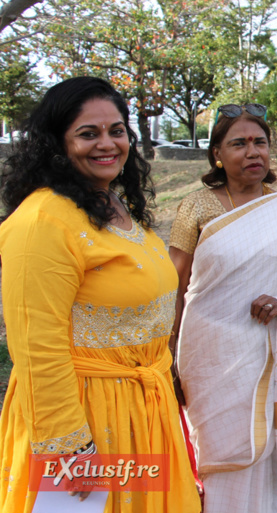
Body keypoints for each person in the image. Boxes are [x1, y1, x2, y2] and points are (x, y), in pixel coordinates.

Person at [0, 76, 201, 512]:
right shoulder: (42, 222)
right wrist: (69, 449)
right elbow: (36, 346)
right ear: (56, 144)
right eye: (87, 134)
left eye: (116, 131)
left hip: (143, 408)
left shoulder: (110, 204)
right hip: (87, 419)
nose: (107, 144)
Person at [168, 103, 277, 513]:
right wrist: (166, 352)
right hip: (208, 353)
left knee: (276, 445)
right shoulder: (197, 207)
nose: (252, 152)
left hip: (271, 351)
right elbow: (173, 283)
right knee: (220, 447)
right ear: (218, 155)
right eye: (239, 144)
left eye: (260, 142)